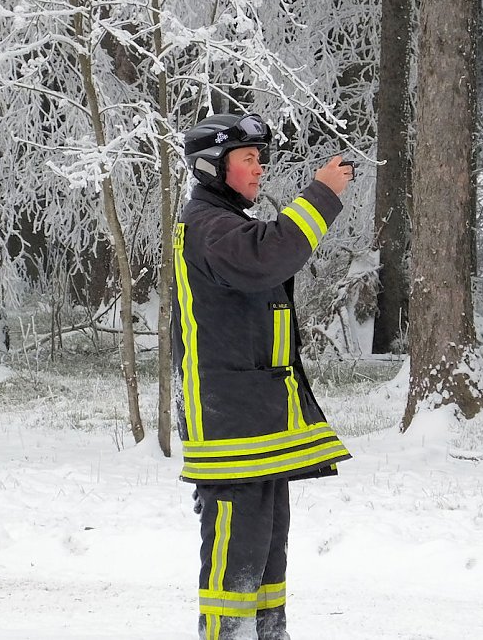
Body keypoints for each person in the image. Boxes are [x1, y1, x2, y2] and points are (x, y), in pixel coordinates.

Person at [172, 112, 354, 640]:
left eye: (260, 158)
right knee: (236, 551)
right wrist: (321, 193)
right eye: (247, 159)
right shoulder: (209, 227)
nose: (259, 169)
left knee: (267, 544)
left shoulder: (226, 221)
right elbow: (271, 254)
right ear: (212, 166)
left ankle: (269, 632)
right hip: (229, 420)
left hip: (255, 416)